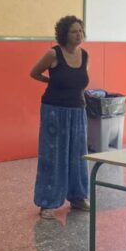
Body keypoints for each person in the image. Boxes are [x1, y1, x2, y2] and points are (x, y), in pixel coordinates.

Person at [29, 15, 90, 219]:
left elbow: (81, 81)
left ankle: (78, 197)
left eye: (80, 30)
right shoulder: (53, 54)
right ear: (64, 34)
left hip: (77, 111)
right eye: (74, 31)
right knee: (53, 156)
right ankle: (47, 203)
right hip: (54, 110)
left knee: (78, 155)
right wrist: (52, 81)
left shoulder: (85, 55)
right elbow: (34, 73)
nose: (78, 34)